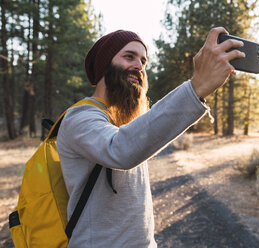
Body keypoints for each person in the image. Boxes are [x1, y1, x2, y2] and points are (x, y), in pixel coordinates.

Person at [57, 27, 245, 248]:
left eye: (143, 62)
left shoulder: (124, 123)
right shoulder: (79, 118)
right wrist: (196, 88)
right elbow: (120, 149)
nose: (139, 67)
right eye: (129, 56)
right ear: (104, 65)